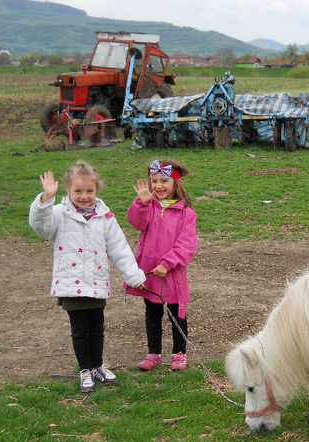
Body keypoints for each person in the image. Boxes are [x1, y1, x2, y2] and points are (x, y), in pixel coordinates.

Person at [29, 161, 146, 393]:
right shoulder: (59, 214)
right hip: (71, 284)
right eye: (78, 191)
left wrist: (134, 276)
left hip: (95, 282)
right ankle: (85, 369)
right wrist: (44, 201)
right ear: (68, 190)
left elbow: (119, 248)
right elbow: (40, 227)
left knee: (97, 327)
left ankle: (97, 366)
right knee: (80, 329)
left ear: (97, 190)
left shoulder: (105, 217)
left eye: (89, 191)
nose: (84, 196)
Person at [126, 159, 197, 371]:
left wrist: (168, 263)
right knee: (152, 312)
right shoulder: (149, 205)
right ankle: (154, 353)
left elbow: (186, 244)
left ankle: (179, 353)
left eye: (164, 181)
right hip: (150, 271)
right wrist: (142, 203)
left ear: (176, 183)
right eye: (154, 181)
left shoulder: (186, 213)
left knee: (176, 314)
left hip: (172, 274)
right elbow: (136, 222)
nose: (159, 186)